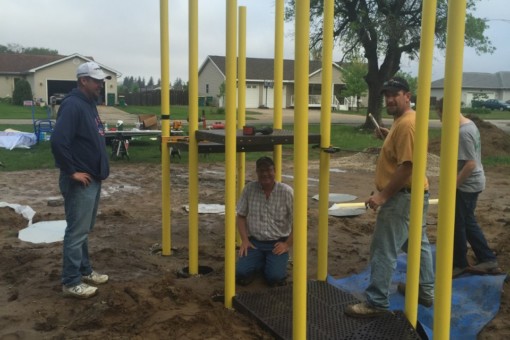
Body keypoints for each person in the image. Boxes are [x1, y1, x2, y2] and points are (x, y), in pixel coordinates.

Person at [345, 77, 435, 317]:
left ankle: (376, 302)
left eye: (395, 94)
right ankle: (425, 291)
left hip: (401, 198)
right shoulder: (403, 122)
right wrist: (389, 137)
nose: (390, 99)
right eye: (387, 95)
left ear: (408, 95)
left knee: (383, 248)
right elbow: (404, 152)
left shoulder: (407, 125)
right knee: (417, 243)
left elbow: (408, 166)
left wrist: (383, 196)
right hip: (414, 195)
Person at [51, 61, 111, 299]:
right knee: (76, 232)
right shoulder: (73, 105)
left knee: (83, 229)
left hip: (93, 178)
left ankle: (84, 270)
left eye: (101, 81)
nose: (100, 85)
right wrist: (71, 171)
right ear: (83, 80)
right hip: (80, 181)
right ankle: (71, 281)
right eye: (96, 81)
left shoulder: (89, 104)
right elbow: (58, 141)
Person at [436, 98, 499, 277]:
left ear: (446, 112)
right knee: (467, 221)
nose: (440, 120)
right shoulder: (469, 124)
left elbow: (470, 164)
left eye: (440, 115)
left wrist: (452, 186)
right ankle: (487, 258)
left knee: (457, 223)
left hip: (467, 185)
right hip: (473, 182)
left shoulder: (463, 132)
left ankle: (460, 263)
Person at [236, 156, 293, 286]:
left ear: (275, 171)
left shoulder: (287, 192)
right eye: (261, 171)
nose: (265, 174)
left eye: (268, 170)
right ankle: (261, 261)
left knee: (275, 278)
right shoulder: (249, 189)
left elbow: (300, 222)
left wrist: (287, 244)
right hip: (255, 242)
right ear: (257, 172)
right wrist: (244, 240)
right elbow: (241, 216)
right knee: (241, 273)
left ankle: (273, 262)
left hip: (277, 243)